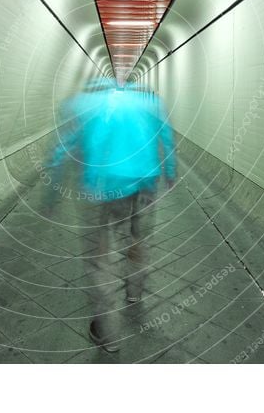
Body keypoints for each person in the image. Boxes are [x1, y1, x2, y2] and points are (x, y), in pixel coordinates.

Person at [44, 77, 176, 352]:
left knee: (99, 260)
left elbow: (62, 148)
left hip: (100, 187)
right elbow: (166, 136)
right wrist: (171, 172)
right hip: (144, 182)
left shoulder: (79, 104)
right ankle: (134, 292)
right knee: (138, 241)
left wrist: (51, 194)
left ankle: (109, 334)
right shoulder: (150, 103)